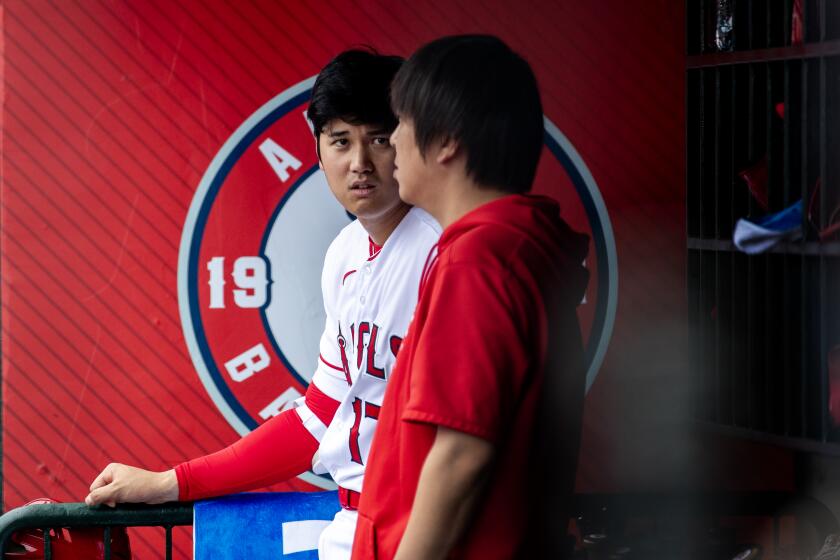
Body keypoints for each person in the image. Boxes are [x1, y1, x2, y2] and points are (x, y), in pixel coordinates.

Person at [84, 49, 441, 560]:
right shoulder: (343, 255)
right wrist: (171, 483)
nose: (359, 163)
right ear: (318, 152)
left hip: (426, 527)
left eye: (379, 139)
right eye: (341, 141)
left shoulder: (444, 250)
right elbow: (315, 420)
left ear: (409, 141)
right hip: (356, 525)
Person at [351, 35, 590, 560]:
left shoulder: (480, 261)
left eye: (401, 125)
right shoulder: (508, 250)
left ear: (447, 142)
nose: (392, 143)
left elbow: (461, 454)